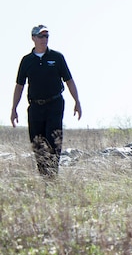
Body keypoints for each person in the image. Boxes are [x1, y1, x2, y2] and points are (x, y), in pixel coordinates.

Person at [10, 24, 82, 177]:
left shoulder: (57, 58)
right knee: (37, 143)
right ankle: (44, 176)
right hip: (35, 106)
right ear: (33, 38)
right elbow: (19, 86)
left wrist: (77, 101)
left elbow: (69, 80)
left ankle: (52, 176)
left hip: (54, 104)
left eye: (46, 36)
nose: (44, 39)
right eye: (41, 36)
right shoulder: (27, 61)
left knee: (53, 140)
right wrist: (13, 109)